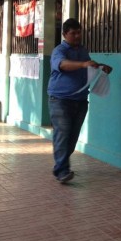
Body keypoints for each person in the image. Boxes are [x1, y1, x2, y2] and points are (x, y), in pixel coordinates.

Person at [47, 18, 112, 183]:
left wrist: (101, 67)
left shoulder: (83, 51)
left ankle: (61, 167)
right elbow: (63, 65)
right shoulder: (59, 51)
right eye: (73, 33)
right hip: (60, 100)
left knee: (72, 137)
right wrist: (83, 64)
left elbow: (86, 67)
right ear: (64, 34)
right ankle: (62, 171)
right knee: (62, 133)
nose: (77, 35)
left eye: (79, 32)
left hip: (80, 100)